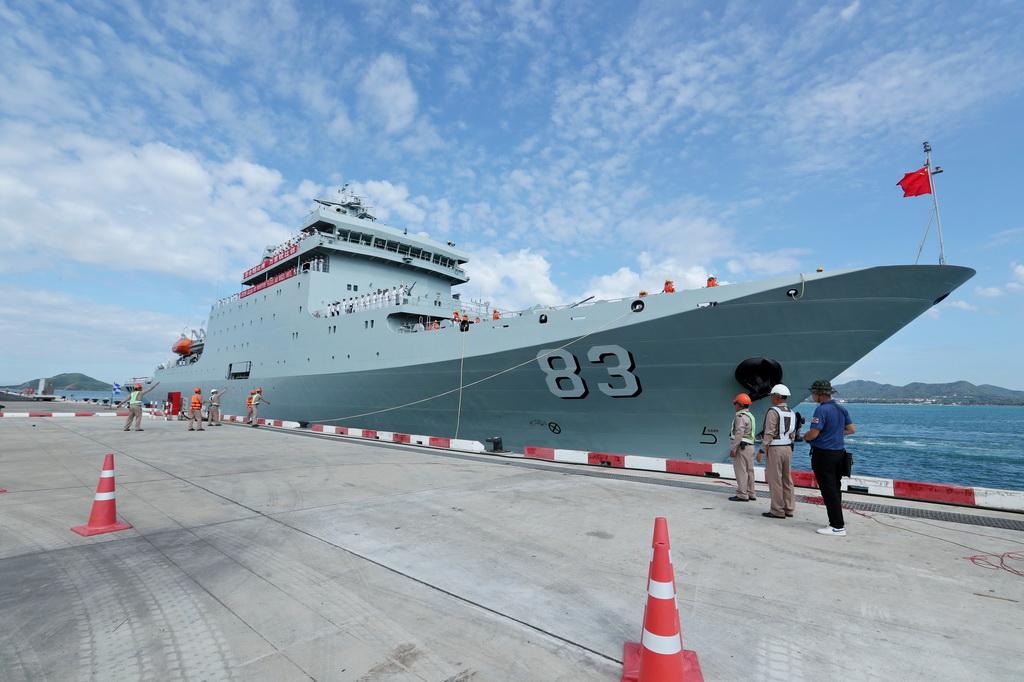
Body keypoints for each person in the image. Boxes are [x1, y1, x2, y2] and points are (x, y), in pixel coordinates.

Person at [803, 380, 855, 536]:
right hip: (839, 453)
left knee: (828, 490)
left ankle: (837, 526)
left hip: (824, 455)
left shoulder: (821, 410)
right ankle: (836, 521)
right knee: (835, 489)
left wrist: (807, 437)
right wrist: (834, 434)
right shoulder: (841, 408)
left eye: (813, 393)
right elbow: (851, 429)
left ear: (819, 394)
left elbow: (813, 433)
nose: (812, 396)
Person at [756, 384, 797, 519]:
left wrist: (762, 450)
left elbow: (769, 433)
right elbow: (793, 434)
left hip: (775, 448)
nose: (771, 398)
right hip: (787, 448)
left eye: (772, 396)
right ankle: (789, 508)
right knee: (787, 479)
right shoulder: (791, 412)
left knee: (775, 480)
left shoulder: (773, 411)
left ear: (777, 397)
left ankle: (777, 510)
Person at [728, 393, 756, 501]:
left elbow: (739, 433)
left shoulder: (740, 417)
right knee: (750, 471)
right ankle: (751, 493)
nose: (734, 405)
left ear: (739, 404)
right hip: (750, 446)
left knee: (741, 471)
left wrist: (733, 448)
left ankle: (742, 494)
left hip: (741, 447)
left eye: (735, 403)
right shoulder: (751, 416)